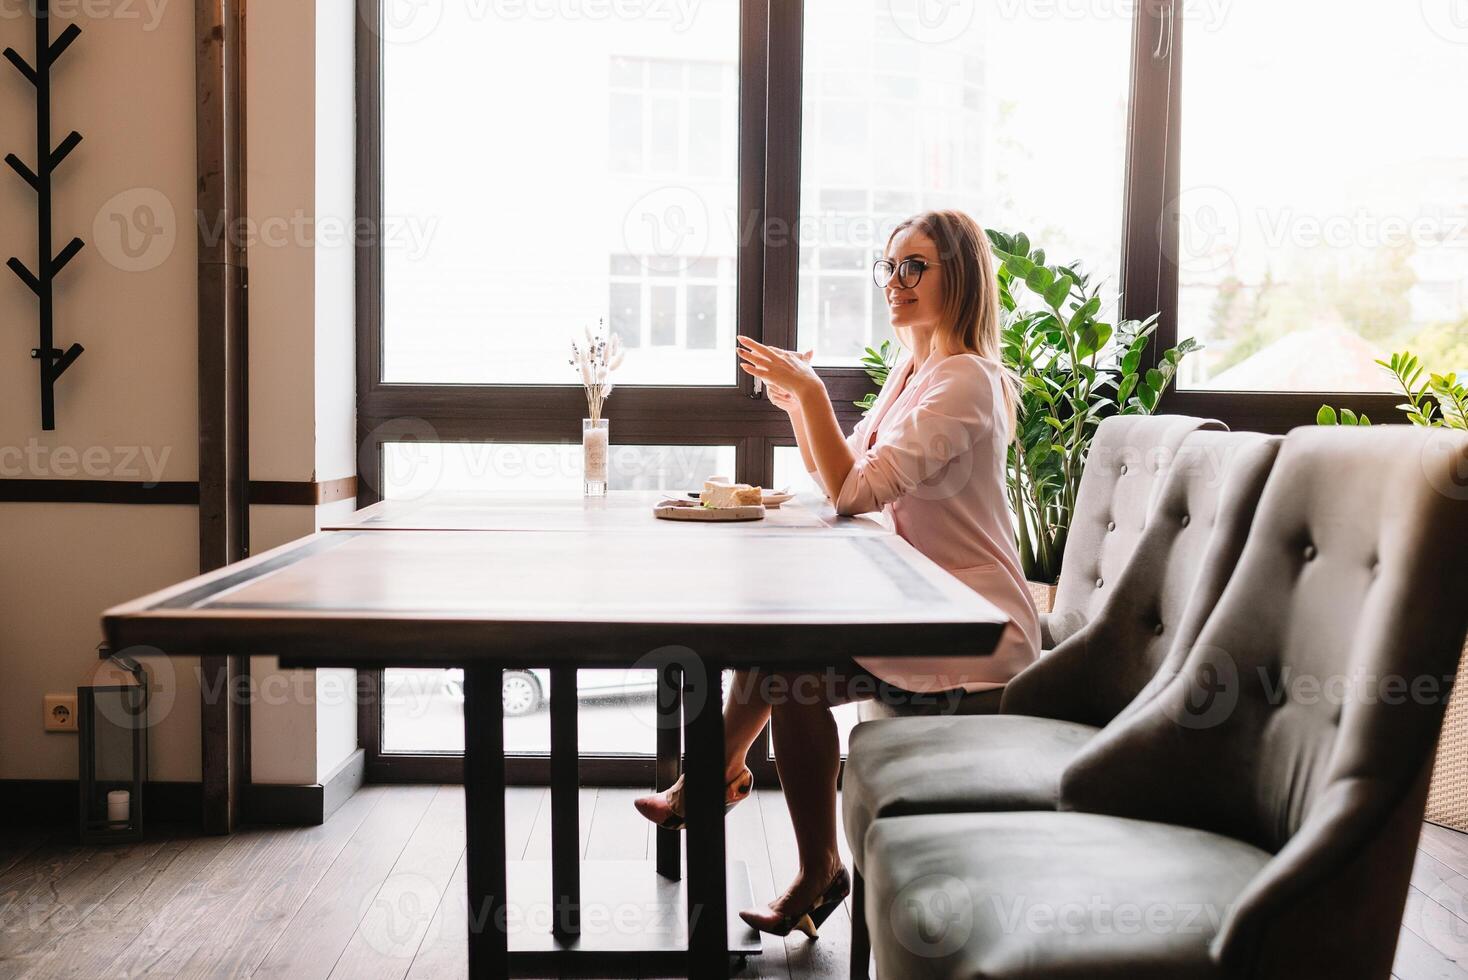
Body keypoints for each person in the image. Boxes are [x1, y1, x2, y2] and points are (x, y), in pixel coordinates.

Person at [634, 209, 1041, 939]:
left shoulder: (968, 381)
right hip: (921, 607)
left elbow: (857, 491)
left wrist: (815, 392)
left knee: (787, 670)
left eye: (915, 266)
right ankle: (786, 840)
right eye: (890, 267)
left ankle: (731, 797)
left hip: (973, 625)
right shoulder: (916, 373)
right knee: (781, 658)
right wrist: (798, 406)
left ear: (962, 276)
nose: (896, 282)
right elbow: (840, 477)